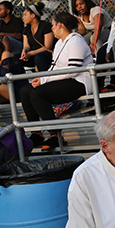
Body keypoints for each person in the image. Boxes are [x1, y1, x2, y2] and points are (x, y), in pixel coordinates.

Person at [20, 12, 94, 152]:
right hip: (65, 79)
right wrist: (41, 78)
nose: (52, 28)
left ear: (60, 25)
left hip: (79, 81)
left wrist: (45, 80)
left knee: (37, 94)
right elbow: (54, 68)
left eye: (53, 25)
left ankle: (56, 134)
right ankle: (37, 133)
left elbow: (72, 70)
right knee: (26, 90)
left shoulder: (76, 40)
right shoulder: (60, 43)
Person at [20, 2, 54, 72]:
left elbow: (47, 47)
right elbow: (26, 46)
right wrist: (25, 51)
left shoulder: (46, 26)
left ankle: (45, 80)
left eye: (25, 15)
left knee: (39, 57)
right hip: (32, 55)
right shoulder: (26, 29)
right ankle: (21, 81)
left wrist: (30, 54)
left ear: (33, 15)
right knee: (14, 58)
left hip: (46, 55)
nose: (23, 17)